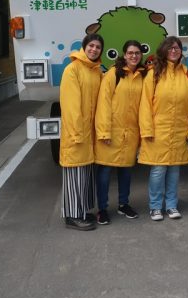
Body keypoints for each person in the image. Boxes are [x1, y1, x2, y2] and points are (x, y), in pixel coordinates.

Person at [138, 36, 188, 221]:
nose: (174, 51)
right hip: (159, 131)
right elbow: (145, 105)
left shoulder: (187, 75)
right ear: (164, 50)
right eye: (171, 48)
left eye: (177, 48)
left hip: (179, 131)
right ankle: (155, 207)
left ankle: (171, 205)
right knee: (158, 171)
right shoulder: (153, 74)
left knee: (174, 171)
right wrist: (147, 130)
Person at [94, 40, 147, 225]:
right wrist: (103, 132)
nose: (134, 56)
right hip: (111, 132)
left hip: (131, 133)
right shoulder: (113, 75)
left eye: (137, 53)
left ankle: (123, 204)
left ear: (141, 55)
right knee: (105, 172)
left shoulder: (143, 76)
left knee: (126, 172)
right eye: (130, 53)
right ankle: (102, 209)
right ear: (124, 55)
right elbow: (103, 104)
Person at [59, 33, 104, 231]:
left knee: (84, 175)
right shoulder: (72, 69)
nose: (94, 49)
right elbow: (70, 106)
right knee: (74, 174)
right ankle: (72, 216)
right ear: (84, 47)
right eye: (91, 46)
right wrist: (77, 133)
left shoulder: (96, 71)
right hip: (76, 132)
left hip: (90, 133)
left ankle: (82, 211)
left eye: (98, 47)